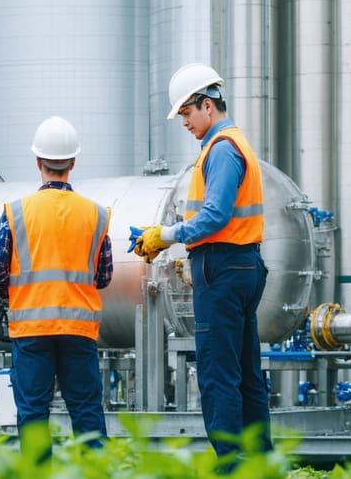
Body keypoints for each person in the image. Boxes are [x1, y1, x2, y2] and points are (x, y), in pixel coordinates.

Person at [130, 63, 273, 460]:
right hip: (240, 265)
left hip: (223, 269)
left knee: (218, 375)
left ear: (206, 105)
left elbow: (214, 216)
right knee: (244, 375)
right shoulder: (230, 145)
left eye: (186, 113)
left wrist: (165, 235)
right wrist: (162, 238)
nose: (184, 122)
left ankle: (231, 465)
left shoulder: (222, 150)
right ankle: (260, 463)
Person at [0, 115, 113, 462]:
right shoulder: (95, 214)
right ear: (73, 162)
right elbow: (104, 275)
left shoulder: (17, 212)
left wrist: (17, 291)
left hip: (31, 330)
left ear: (38, 161)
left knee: (34, 415)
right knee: (86, 413)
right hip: (79, 329)